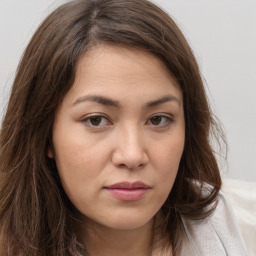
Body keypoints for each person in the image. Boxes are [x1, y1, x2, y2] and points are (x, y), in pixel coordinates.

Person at [0, 0, 248, 255]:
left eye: (158, 119)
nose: (132, 155)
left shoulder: (225, 226)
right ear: (45, 135)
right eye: (96, 120)